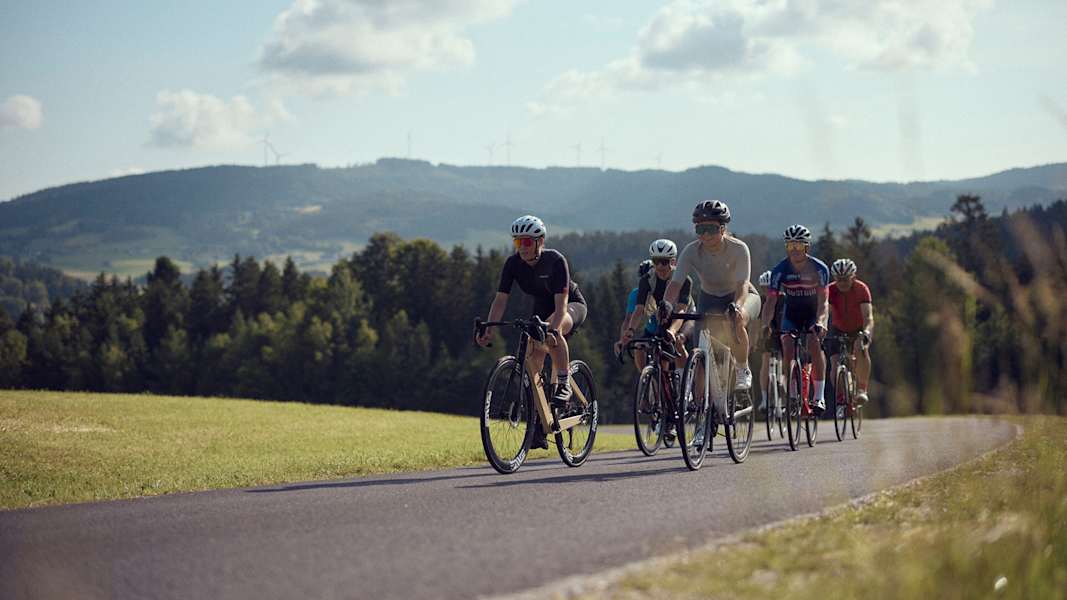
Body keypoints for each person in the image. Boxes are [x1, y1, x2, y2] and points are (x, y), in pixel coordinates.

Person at [475, 215, 588, 448]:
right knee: (533, 358)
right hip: (542, 308)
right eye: (517, 242)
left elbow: (561, 306)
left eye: (526, 242)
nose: (522, 247)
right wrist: (490, 328)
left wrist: (554, 330)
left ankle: (564, 383)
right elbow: (500, 300)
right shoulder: (513, 264)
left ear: (540, 241)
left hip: (570, 305)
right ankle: (539, 423)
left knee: (552, 332)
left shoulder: (555, 261)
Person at [664, 200, 760, 391]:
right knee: (701, 352)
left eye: (711, 229)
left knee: (736, 320)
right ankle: (701, 404)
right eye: (700, 230)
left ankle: (742, 369)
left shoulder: (739, 248)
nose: (706, 235)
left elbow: (742, 285)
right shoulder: (691, 251)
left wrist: (737, 306)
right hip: (709, 298)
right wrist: (666, 304)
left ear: (723, 228)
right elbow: (675, 284)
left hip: (741, 295)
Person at [761, 225, 830, 415]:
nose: (794, 250)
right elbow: (770, 302)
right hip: (791, 314)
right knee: (787, 348)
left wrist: (821, 322)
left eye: (798, 246)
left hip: (813, 314)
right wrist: (766, 325)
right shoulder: (780, 270)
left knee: (814, 345)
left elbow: (823, 301)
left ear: (807, 247)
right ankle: (792, 395)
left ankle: (819, 396)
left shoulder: (819, 268)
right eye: (790, 246)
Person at [617, 239, 694, 374]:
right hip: (664, 316)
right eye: (656, 261)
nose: (659, 266)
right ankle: (651, 381)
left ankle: (684, 378)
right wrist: (630, 331)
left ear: (673, 262)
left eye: (664, 262)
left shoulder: (684, 279)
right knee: (644, 346)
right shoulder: (647, 279)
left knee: (678, 342)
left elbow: (681, 310)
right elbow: (639, 310)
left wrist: (672, 331)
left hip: (685, 316)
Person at [827, 258, 874, 408]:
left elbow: (868, 316)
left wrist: (866, 332)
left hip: (858, 328)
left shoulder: (861, 289)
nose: (842, 283)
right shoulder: (830, 290)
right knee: (834, 363)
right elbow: (824, 313)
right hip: (837, 328)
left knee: (861, 349)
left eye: (845, 279)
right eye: (838, 279)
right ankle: (841, 396)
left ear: (853, 277)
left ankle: (861, 389)